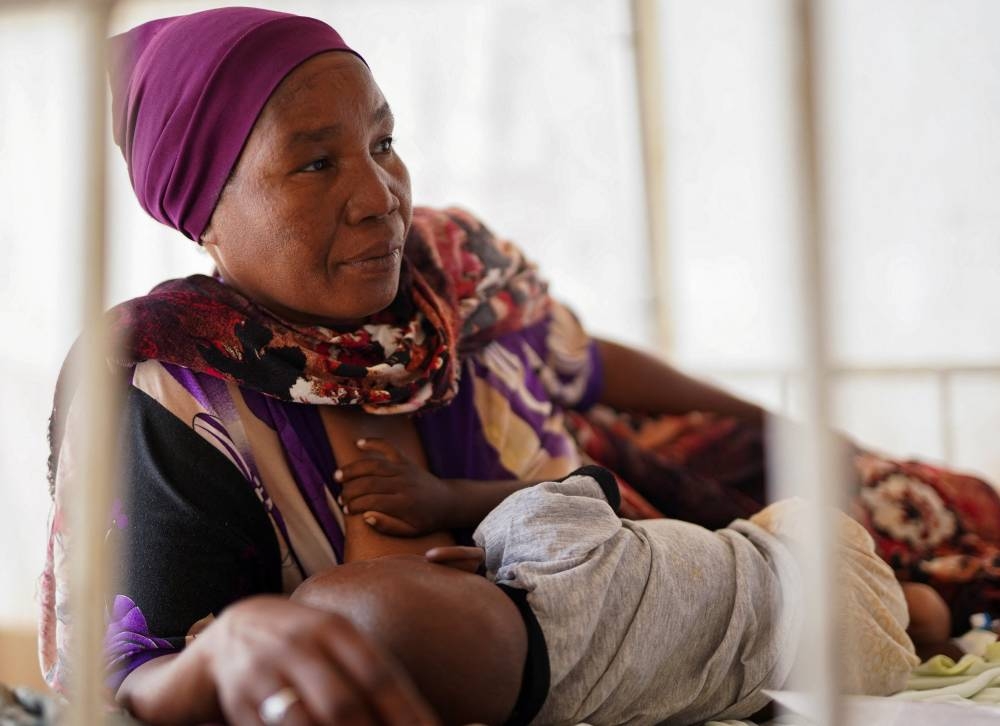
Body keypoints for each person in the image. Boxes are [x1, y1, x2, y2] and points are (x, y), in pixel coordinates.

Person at [39, 5, 1000, 724]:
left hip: (644, 502)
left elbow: (588, 367)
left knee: (940, 521)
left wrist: (785, 428)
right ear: (201, 210)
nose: (381, 196)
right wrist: (233, 644)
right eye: (316, 163)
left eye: (384, 142)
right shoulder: (170, 389)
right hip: (618, 610)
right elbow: (130, 678)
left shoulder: (451, 266)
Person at [293, 466, 918, 726]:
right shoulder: (531, 531)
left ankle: (930, 622)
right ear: (454, 560)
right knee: (906, 594)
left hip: (791, 670)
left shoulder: (555, 705)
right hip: (789, 565)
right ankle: (932, 611)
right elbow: (595, 481)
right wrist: (447, 500)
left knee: (914, 622)